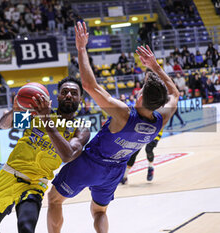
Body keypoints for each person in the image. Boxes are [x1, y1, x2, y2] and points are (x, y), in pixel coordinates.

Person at [47, 22, 179, 233]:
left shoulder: (124, 114)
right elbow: (174, 94)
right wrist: (155, 67)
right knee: (99, 212)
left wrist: (81, 49)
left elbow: (90, 86)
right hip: (115, 171)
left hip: (90, 164)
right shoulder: (160, 120)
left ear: (141, 96)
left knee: (54, 199)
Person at [0, 76, 90, 233]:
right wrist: (14, 111)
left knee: (26, 228)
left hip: (35, 184)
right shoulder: (36, 115)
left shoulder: (80, 129)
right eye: (64, 92)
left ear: (80, 98)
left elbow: (68, 155)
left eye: (74, 93)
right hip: (8, 176)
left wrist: (46, 119)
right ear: (57, 96)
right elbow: (3, 125)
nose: (69, 95)